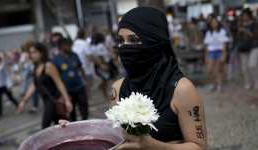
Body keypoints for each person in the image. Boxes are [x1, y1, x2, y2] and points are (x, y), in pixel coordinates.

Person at [111, 7, 207, 149]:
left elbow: (199, 146)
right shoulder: (118, 88)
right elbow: (115, 137)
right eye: (120, 40)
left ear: (155, 41)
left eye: (134, 40)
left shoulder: (181, 89)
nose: (125, 48)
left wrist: (153, 146)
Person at [17, 43, 73, 129]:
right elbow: (34, 85)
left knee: (45, 127)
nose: (32, 55)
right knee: (62, 127)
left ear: (41, 53)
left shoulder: (48, 66)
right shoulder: (36, 67)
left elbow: (59, 83)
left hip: (54, 101)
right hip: (46, 101)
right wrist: (24, 101)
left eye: (34, 52)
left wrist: (67, 100)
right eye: (31, 53)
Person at [53, 38, 89, 121]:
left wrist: (86, 82)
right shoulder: (56, 59)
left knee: (84, 109)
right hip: (68, 91)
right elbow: (56, 78)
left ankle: (85, 123)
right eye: (68, 45)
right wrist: (62, 94)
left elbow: (81, 68)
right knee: (71, 113)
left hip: (80, 88)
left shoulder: (74, 55)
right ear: (62, 46)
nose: (70, 47)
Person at [204, 16, 230, 91]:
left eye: (215, 22)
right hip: (211, 52)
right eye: (212, 22)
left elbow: (224, 44)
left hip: (220, 51)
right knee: (210, 70)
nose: (214, 24)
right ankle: (213, 83)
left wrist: (224, 54)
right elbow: (206, 45)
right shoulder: (208, 32)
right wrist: (206, 56)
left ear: (218, 23)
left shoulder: (222, 31)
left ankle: (219, 84)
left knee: (219, 69)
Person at [0, 53, 18, 118]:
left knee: (10, 97)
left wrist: (9, 84)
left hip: (4, 85)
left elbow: (7, 76)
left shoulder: (2, 66)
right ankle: (0, 114)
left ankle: (18, 106)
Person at [236, 9, 258, 90]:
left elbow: (255, 35)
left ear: (249, 15)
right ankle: (248, 82)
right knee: (244, 67)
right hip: (243, 48)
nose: (244, 17)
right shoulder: (240, 24)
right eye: (243, 15)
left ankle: (256, 81)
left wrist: (245, 31)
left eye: (246, 15)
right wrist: (239, 32)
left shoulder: (255, 24)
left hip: (254, 46)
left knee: (252, 65)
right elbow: (237, 37)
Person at [72, 29, 94, 96]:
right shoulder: (85, 43)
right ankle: (87, 98)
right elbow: (89, 56)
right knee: (88, 84)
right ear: (84, 34)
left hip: (77, 67)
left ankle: (86, 98)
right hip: (86, 68)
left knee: (83, 84)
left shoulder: (74, 43)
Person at [90, 32, 112, 100]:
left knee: (105, 80)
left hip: (100, 65)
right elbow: (100, 56)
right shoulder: (100, 46)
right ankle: (105, 95)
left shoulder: (95, 46)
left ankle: (104, 93)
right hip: (102, 64)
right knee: (105, 80)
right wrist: (103, 65)